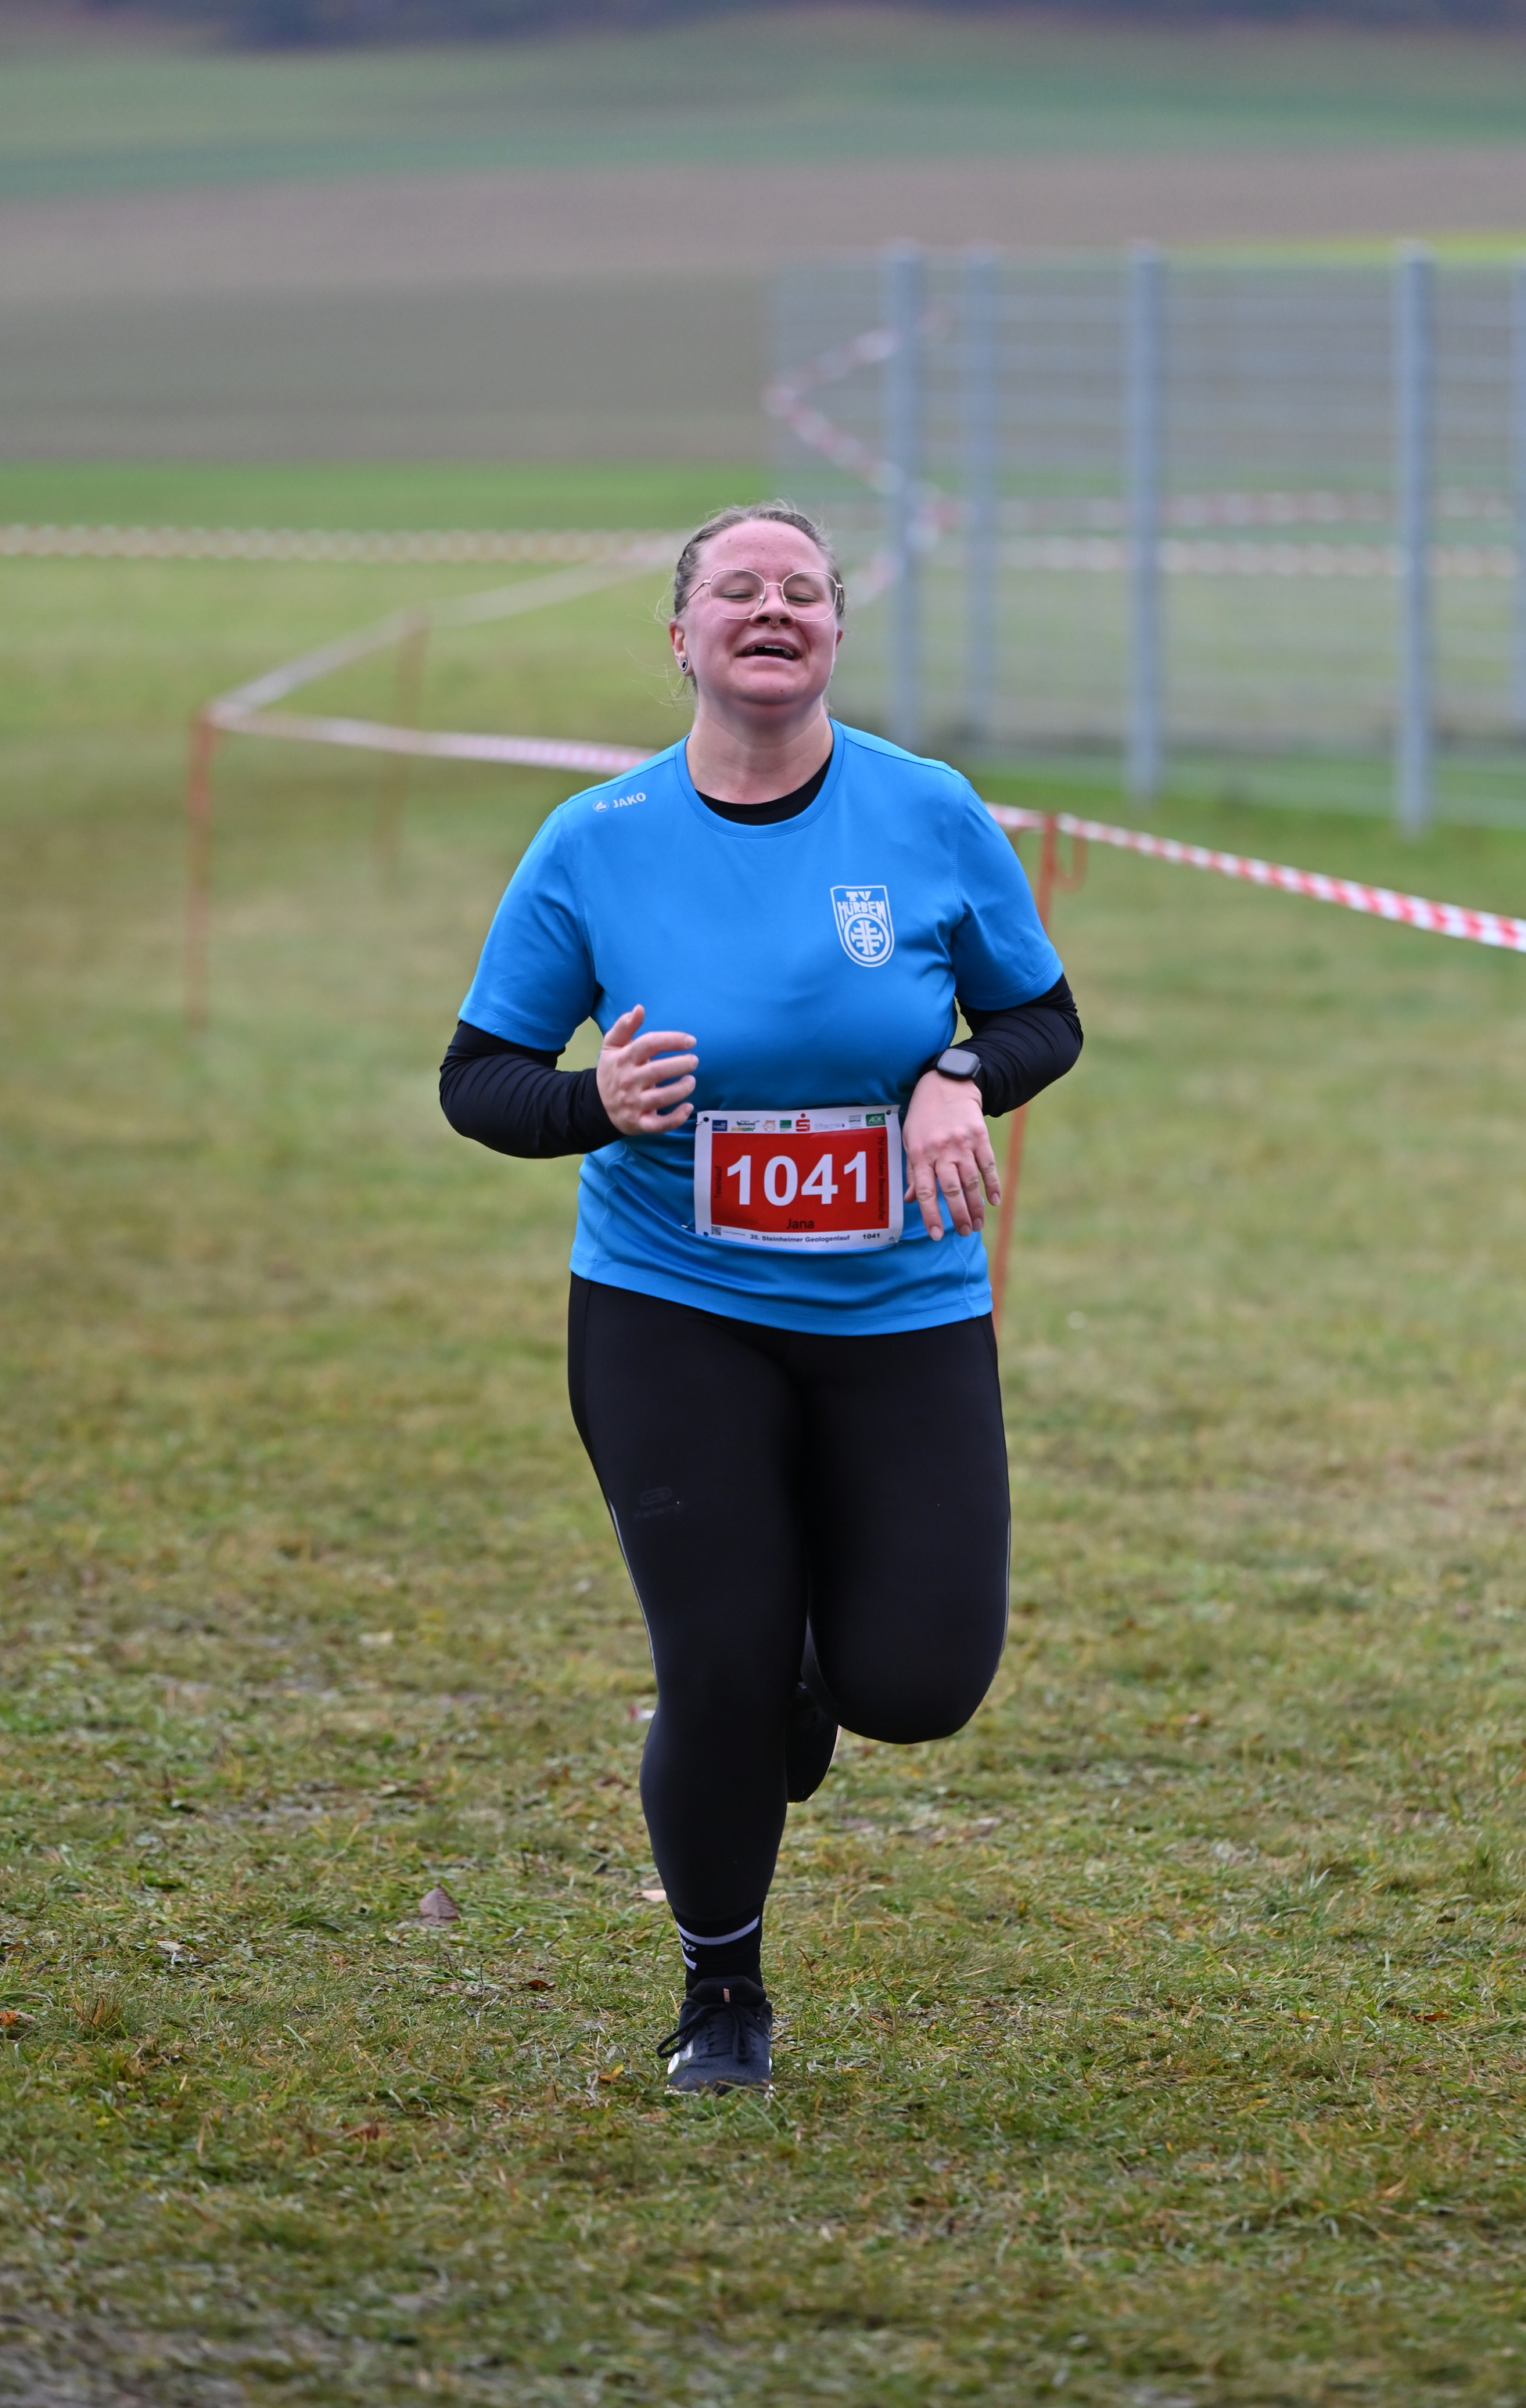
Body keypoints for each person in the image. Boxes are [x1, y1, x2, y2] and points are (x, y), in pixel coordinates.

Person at [441, 501, 1080, 2093]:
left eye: (802, 589)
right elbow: (479, 1077)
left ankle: (813, 1677)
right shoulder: (596, 838)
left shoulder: (928, 811)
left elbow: (1044, 1019)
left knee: (917, 1687)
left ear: (837, 633)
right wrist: (596, 1103)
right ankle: (721, 1990)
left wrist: (956, 1073)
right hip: (673, 1309)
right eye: (737, 589)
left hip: (902, 1311)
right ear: (682, 636)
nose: (771, 609)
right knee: (715, 1671)